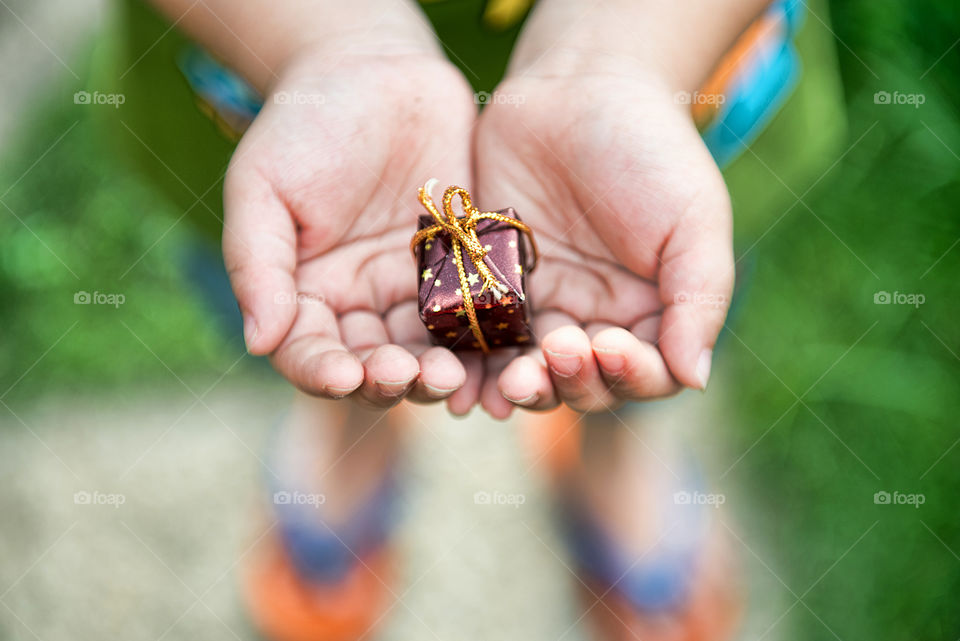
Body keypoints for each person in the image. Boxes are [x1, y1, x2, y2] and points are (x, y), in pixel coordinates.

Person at [127, 0, 812, 638]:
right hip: (270, 65)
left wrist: (625, 58)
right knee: (304, 300)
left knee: (641, 308)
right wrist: (323, 44)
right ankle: (350, 426)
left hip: (677, 61)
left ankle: (613, 449)